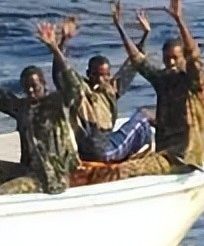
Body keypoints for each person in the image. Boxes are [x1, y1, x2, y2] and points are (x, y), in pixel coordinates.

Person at [80, 0, 204, 183]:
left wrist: (179, 20)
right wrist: (119, 27)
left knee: (120, 171)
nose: (171, 63)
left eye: (175, 58)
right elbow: (137, 60)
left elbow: (194, 57)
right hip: (164, 154)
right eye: (167, 59)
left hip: (183, 157)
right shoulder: (163, 79)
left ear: (183, 58)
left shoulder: (194, 83)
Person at [0, 22, 84, 197]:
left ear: (44, 85)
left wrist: (55, 48)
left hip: (50, 178)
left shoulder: (58, 103)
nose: (30, 91)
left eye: (34, 86)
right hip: (26, 170)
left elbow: (74, 86)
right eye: (26, 87)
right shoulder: (22, 108)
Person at [52, 10, 153, 163]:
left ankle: (138, 151)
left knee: (137, 128)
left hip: (104, 144)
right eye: (96, 75)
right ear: (88, 74)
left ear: (109, 75)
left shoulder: (111, 88)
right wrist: (62, 43)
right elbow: (61, 73)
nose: (100, 79)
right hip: (102, 152)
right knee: (144, 116)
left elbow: (133, 64)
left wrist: (145, 35)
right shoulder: (80, 91)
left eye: (105, 75)